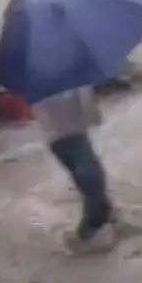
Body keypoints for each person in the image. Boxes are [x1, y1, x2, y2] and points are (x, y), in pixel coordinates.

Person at [34, 87, 117, 253]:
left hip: (63, 137)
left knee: (88, 180)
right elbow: (88, 112)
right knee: (92, 178)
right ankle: (91, 228)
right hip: (66, 136)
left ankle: (102, 215)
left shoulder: (47, 82)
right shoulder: (66, 84)